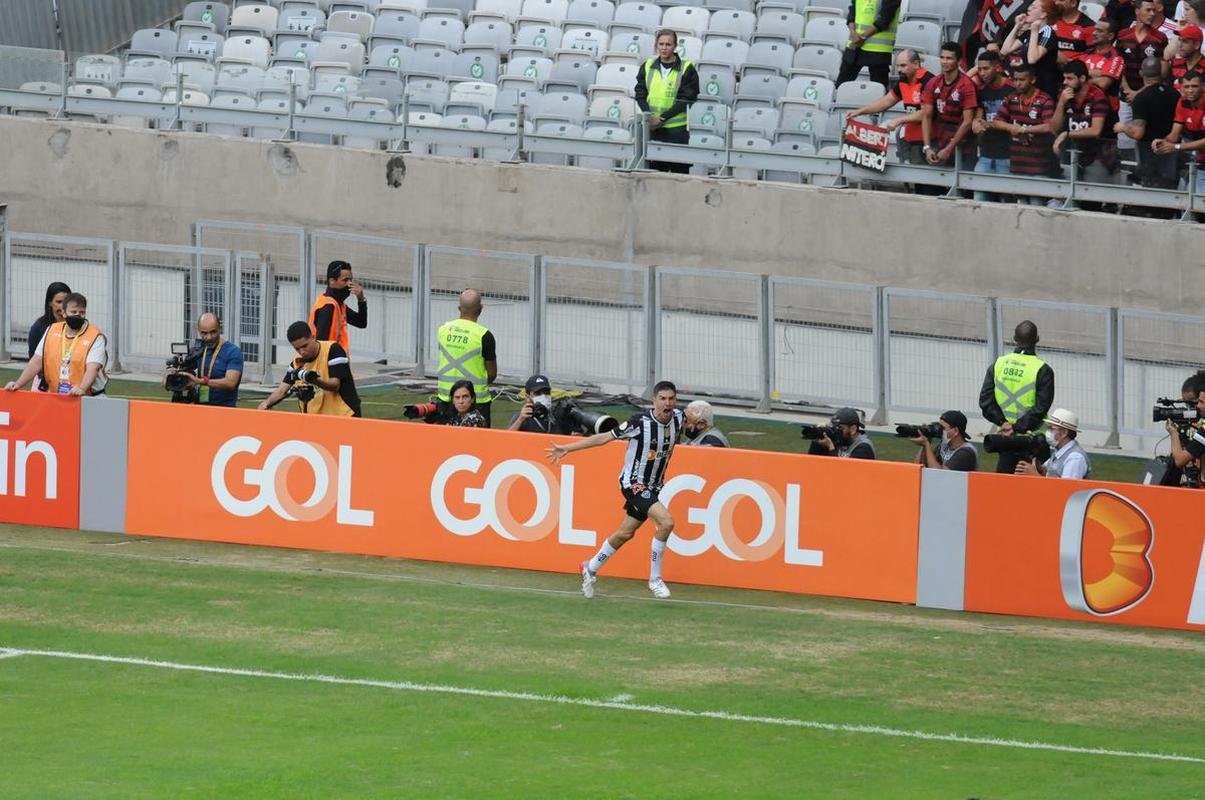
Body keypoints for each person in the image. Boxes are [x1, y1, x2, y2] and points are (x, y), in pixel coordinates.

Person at [547, 381, 685, 600]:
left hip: (654, 486)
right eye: (662, 399)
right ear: (654, 401)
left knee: (625, 533)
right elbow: (604, 437)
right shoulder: (639, 423)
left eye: (671, 399)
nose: (667, 403)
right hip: (634, 484)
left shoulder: (680, 418)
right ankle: (655, 580)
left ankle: (590, 566)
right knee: (666, 522)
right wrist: (567, 448)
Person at [979, 320, 1056, 474]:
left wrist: (1004, 423)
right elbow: (1041, 408)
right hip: (1033, 440)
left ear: (1014, 339)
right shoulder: (1043, 369)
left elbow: (985, 402)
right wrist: (1017, 427)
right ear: (1037, 339)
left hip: (1006, 438)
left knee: (1003, 488)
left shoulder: (999, 364)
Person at [5, 292, 107, 397]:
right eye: (73, 312)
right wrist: (17, 384)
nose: (78, 315)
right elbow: (36, 362)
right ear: (64, 313)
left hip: (89, 397)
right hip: (58, 396)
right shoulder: (51, 330)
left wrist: (82, 388)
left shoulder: (95, 336)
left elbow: (93, 368)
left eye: (82, 312)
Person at [845, 49, 932, 166]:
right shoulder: (903, 81)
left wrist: (899, 120)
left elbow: (926, 113)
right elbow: (886, 101)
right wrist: (860, 111)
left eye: (903, 65)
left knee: (925, 179)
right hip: (912, 137)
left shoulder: (929, 81)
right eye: (897, 66)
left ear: (916, 64)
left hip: (930, 138)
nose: (899, 70)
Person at [257, 320, 361, 416]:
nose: (302, 352)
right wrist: (266, 403)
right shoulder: (297, 362)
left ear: (313, 337)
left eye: (305, 346)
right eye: (297, 349)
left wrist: (313, 379)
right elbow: (282, 390)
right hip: (316, 420)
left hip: (344, 415)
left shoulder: (333, 350)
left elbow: (335, 385)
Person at [990, 62, 1058, 203]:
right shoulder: (1011, 98)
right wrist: (1012, 128)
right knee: (1019, 207)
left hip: (1039, 167)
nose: (1017, 84)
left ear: (1032, 80)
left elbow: (1049, 126)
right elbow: (996, 121)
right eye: (1015, 80)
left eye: (1022, 80)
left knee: (1036, 206)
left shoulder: (1045, 99)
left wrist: (1023, 129)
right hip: (1017, 165)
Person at [634, 29, 699, 174]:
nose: (664, 48)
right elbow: (640, 93)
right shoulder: (647, 65)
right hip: (652, 128)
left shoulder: (687, 68)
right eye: (661, 44)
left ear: (675, 46)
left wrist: (662, 118)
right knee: (653, 174)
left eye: (668, 44)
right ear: (656, 45)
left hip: (677, 131)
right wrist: (649, 116)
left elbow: (687, 99)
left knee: (679, 174)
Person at [1115, 55, 1181, 194]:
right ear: (1161, 73)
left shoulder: (1141, 98)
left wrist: (1123, 127)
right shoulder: (1175, 93)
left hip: (1150, 151)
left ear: (1141, 73)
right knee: (1169, 188)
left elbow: (1138, 133)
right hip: (1172, 149)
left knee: (1151, 188)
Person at [1116, 0, 1170, 158]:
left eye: (1154, 10)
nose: (1152, 14)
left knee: (1146, 137)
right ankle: (1127, 174)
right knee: (1124, 140)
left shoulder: (1160, 38)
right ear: (1137, 11)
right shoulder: (1122, 35)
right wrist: (1128, 91)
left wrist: (1139, 93)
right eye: (1148, 10)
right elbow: (1118, 65)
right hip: (1126, 96)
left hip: (1150, 97)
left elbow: (1163, 71)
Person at [436, 288, 496, 426]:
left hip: (447, 398)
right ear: (481, 309)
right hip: (476, 401)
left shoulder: (443, 330)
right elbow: (492, 373)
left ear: (459, 308)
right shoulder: (484, 335)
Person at [1050, 60, 1115, 184]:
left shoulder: (1098, 97)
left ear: (1082, 78)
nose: (1065, 83)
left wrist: (1067, 134)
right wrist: (1061, 103)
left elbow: (1095, 130)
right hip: (1072, 154)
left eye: (1069, 78)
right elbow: (1054, 129)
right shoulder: (1065, 96)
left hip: (1098, 156)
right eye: (1064, 78)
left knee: (1089, 196)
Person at [165, 312, 244, 407]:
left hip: (224, 409)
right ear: (198, 331)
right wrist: (171, 375)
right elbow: (183, 370)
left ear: (220, 328)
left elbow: (231, 382)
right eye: (204, 333)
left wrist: (200, 381)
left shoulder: (233, 352)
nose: (209, 337)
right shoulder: (197, 350)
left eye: (213, 332)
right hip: (200, 407)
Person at [921, 42, 979, 168]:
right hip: (940, 140)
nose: (944, 62)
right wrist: (927, 147)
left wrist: (949, 148)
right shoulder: (933, 82)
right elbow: (927, 116)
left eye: (949, 58)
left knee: (964, 185)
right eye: (942, 57)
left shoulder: (967, 85)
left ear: (959, 61)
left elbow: (968, 121)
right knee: (934, 184)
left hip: (964, 145)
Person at [971, 51, 1015, 200]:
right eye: (979, 69)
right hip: (986, 153)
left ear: (998, 68)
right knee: (978, 195)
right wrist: (976, 123)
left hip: (1008, 155)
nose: (982, 73)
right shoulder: (981, 90)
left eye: (986, 69)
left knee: (1007, 198)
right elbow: (978, 116)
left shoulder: (1012, 89)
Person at [1152, 71, 1205, 193]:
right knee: (1187, 200)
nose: (1190, 90)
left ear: (1203, 86)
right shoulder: (1182, 102)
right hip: (1199, 162)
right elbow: (1174, 134)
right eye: (1187, 86)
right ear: (1181, 88)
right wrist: (1163, 142)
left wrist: (1176, 147)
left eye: (1194, 86)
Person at [836, 0, 901, 88]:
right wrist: (853, 33)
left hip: (878, 48)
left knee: (879, 88)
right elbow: (852, 11)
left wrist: (862, 37)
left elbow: (885, 18)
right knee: (841, 85)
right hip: (855, 44)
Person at [309, 259, 367, 357]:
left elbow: (361, 322)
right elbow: (321, 344)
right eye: (345, 280)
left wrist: (361, 299)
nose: (349, 284)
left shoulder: (338, 305)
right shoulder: (328, 307)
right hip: (326, 365)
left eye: (350, 280)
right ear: (332, 281)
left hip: (335, 362)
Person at [1016, 408, 1092, 478]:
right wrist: (1039, 469)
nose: (1047, 432)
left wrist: (1035, 475)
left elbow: (1067, 489)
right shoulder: (1058, 452)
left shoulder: (1075, 458)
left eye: (1051, 428)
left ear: (1064, 433)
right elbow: (1049, 473)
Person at [27, 281, 71, 392]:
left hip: (71, 383)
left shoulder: (76, 326)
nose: (63, 306)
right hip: (45, 383)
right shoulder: (39, 327)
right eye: (59, 302)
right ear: (50, 302)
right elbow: (34, 359)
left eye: (66, 301)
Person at [911, 410, 979, 471]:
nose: (939, 430)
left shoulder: (966, 452)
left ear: (955, 431)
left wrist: (926, 444)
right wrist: (925, 442)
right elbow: (919, 466)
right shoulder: (943, 445)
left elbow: (940, 474)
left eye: (942, 428)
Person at [810, 407, 876, 459]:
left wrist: (831, 448)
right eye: (834, 427)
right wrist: (818, 437)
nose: (836, 431)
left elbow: (845, 472)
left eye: (840, 428)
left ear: (853, 429)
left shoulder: (864, 448)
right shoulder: (840, 439)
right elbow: (812, 464)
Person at [1168, 24, 1205, 89]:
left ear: (1197, 45)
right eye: (1179, 40)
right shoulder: (1174, 63)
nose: (1180, 45)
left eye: (1185, 41)